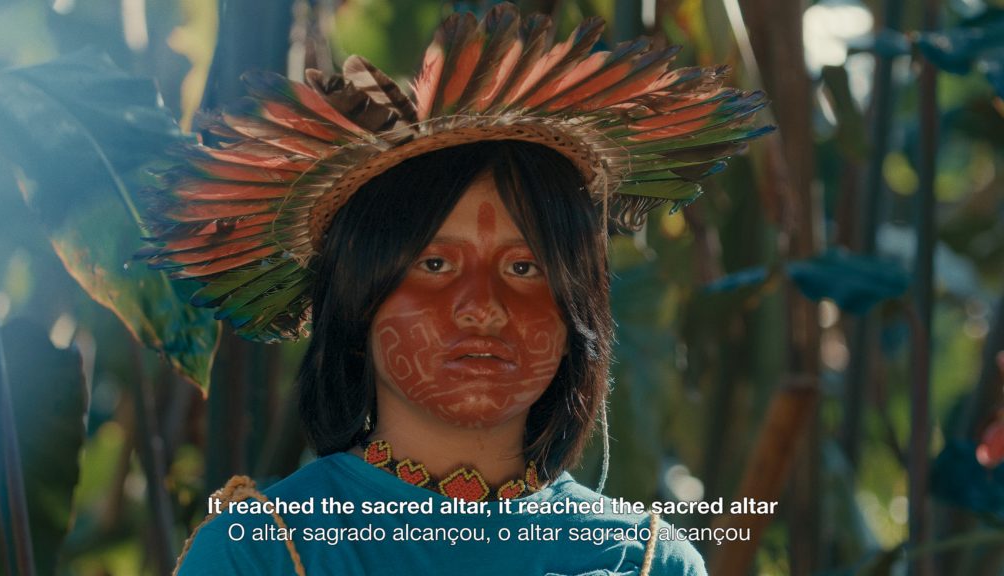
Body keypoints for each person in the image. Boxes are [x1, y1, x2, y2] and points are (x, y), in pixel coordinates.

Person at [146, 4, 769, 574]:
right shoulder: (258, 555)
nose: (483, 308)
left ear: (578, 308)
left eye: (525, 268)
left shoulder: (652, 563)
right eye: (435, 265)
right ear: (358, 301)